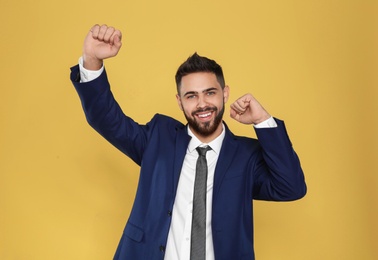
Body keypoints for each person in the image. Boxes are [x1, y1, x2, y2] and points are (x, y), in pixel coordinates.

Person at [70, 24, 306, 260]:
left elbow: (290, 187)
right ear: (180, 102)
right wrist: (91, 59)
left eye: (210, 93)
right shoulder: (158, 138)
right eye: (191, 96)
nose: (202, 104)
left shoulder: (246, 155)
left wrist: (263, 121)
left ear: (225, 94)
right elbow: (106, 119)